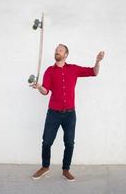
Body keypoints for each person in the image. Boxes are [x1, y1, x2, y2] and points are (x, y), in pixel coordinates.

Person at [31, 44, 105, 181]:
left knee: (69, 143)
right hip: (53, 113)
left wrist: (97, 61)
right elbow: (45, 92)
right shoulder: (49, 71)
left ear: (66, 54)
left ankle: (66, 170)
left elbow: (94, 72)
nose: (57, 51)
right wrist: (39, 87)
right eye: (56, 50)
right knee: (47, 141)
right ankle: (45, 167)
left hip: (70, 115)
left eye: (60, 50)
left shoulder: (73, 69)